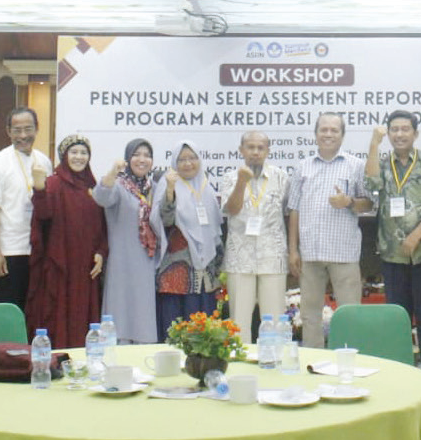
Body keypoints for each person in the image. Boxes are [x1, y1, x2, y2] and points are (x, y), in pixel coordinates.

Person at [366, 110, 421, 383]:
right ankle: (400, 367)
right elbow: (370, 184)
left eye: (405, 129)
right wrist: (374, 144)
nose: (399, 134)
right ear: (388, 133)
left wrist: (417, 235)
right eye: (394, 130)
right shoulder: (382, 161)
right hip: (393, 253)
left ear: (415, 133)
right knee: (398, 313)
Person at [287, 113, 372, 349]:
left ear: (342, 136)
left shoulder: (355, 165)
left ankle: (348, 360)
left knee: (349, 314)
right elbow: (294, 209)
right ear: (315, 134)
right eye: (324, 129)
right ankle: (314, 361)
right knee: (309, 315)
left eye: (334, 130)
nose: (328, 134)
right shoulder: (303, 167)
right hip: (310, 253)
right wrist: (293, 250)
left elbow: (369, 204)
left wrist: (349, 202)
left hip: (344, 252)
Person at [27, 135, 107, 349]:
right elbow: (43, 215)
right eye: (74, 152)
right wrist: (39, 188)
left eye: (83, 153)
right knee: (59, 315)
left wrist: (101, 252)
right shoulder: (53, 182)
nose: (79, 157)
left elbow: (102, 226)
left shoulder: (93, 186)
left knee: (84, 317)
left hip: (86, 268)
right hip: (60, 264)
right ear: (64, 156)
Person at [0, 107, 52, 316]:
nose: (23, 135)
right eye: (17, 130)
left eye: (28, 129)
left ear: (37, 129)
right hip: (10, 251)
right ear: (8, 131)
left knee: (34, 312)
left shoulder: (44, 161)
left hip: (38, 250)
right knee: (9, 313)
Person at [220, 131, 289, 333]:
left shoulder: (281, 177)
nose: (255, 152)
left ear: (268, 151)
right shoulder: (230, 178)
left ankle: (274, 360)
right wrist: (242, 182)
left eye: (260, 148)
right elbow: (231, 210)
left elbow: (291, 213)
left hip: (273, 257)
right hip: (240, 259)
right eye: (251, 147)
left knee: (275, 322)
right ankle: (240, 362)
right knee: (239, 323)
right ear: (242, 150)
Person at [151, 141, 221, 342]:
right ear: (174, 163)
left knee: (204, 334)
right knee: (175, 332)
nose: (188, 163)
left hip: (204, 277)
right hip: (176, 276)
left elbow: (215, 231)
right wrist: (170, 191)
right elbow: (165, 220)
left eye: (192, 158)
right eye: (182, 160)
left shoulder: (205, 186)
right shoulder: (167, 183)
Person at [93, 138, 160, 345]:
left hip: (147, 261)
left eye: (147, 155)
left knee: (143, 313)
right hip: (122, 263)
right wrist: (113, 172)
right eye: (137, 155)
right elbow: (101, 197)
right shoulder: (119, 185)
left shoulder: (154, 187)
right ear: (127, 158)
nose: (142, 159)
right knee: (120, 312)